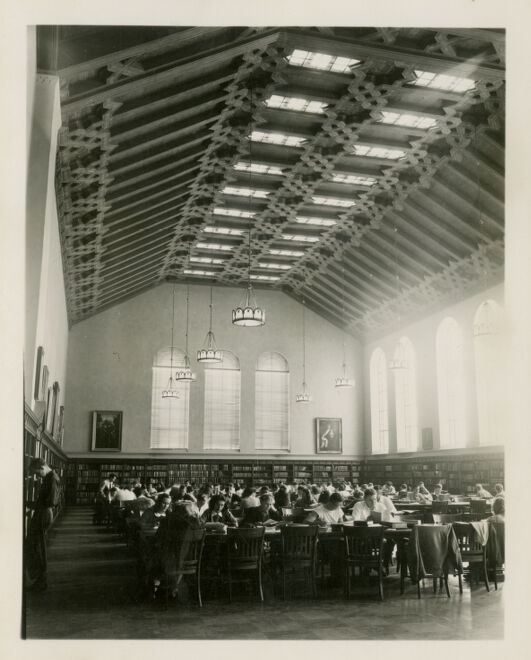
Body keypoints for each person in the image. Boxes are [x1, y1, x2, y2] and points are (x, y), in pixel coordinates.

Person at [25, 458, 61, 591]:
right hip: (43, 513)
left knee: (37, 546)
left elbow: (51, 501)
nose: (37, 476)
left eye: (37, 473)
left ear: (42, 467)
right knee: (36, 545)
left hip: (44, 514)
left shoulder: (52, 478)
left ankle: (41, 580)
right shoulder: (50, 477)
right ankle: (39, 579)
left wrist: (30, 505)